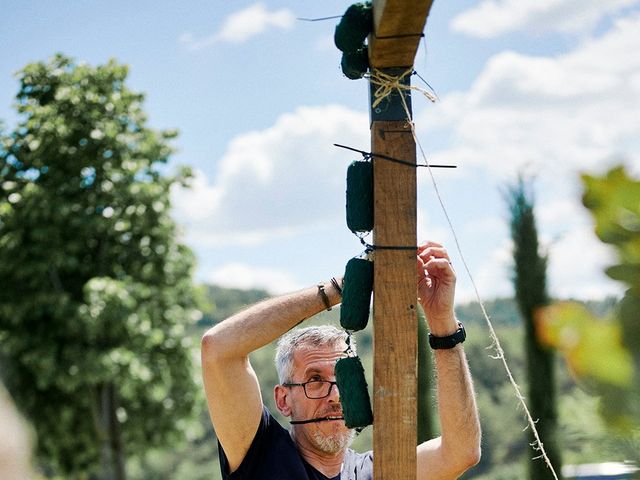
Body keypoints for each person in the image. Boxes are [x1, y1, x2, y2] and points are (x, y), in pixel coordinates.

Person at [201, 241, 481, 479]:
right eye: (315, 380)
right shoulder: (261, 454)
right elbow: (218, 348)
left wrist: (442, 320)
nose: (336, 395)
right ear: (284, 400)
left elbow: (461, 452)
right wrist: (342, 289)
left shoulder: (378, 471)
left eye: (344, 379)